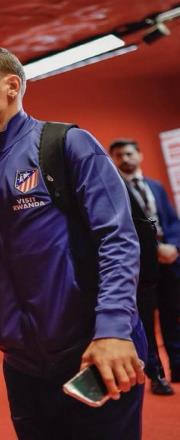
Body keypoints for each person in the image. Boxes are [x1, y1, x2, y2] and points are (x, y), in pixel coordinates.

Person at [0, 47, 147, 440]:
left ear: (11, 86)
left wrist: (113, 330)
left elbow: (117, 240)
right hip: (21, 360)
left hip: (93, 346)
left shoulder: (66, 144)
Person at [110, 139, 180, 393]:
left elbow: (172, 220)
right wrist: (154, 249)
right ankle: (156, 375)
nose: (125, 159)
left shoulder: (155, 186)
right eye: (119, 155)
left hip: (171, 262)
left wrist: (174, 246)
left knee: (173, 316)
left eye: (129, 153)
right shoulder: (113, 190)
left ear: (139, 155)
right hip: (140, 266)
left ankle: (178, 366)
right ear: (113, 160)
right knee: (146, 324)